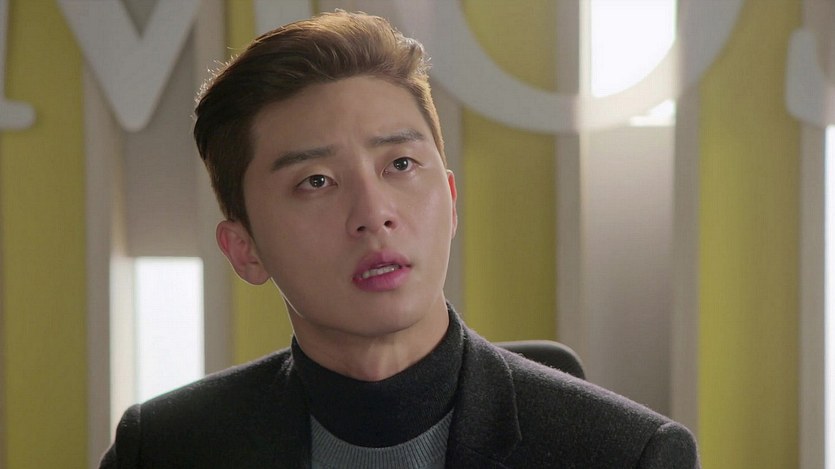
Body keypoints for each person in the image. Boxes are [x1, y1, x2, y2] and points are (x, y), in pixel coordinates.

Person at [100, 10, 699, 468]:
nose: (373, 213)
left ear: (451, 199)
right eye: (316, 181)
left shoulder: (628, 455)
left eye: (401, 165)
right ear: (244, 249)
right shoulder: (163, 449)